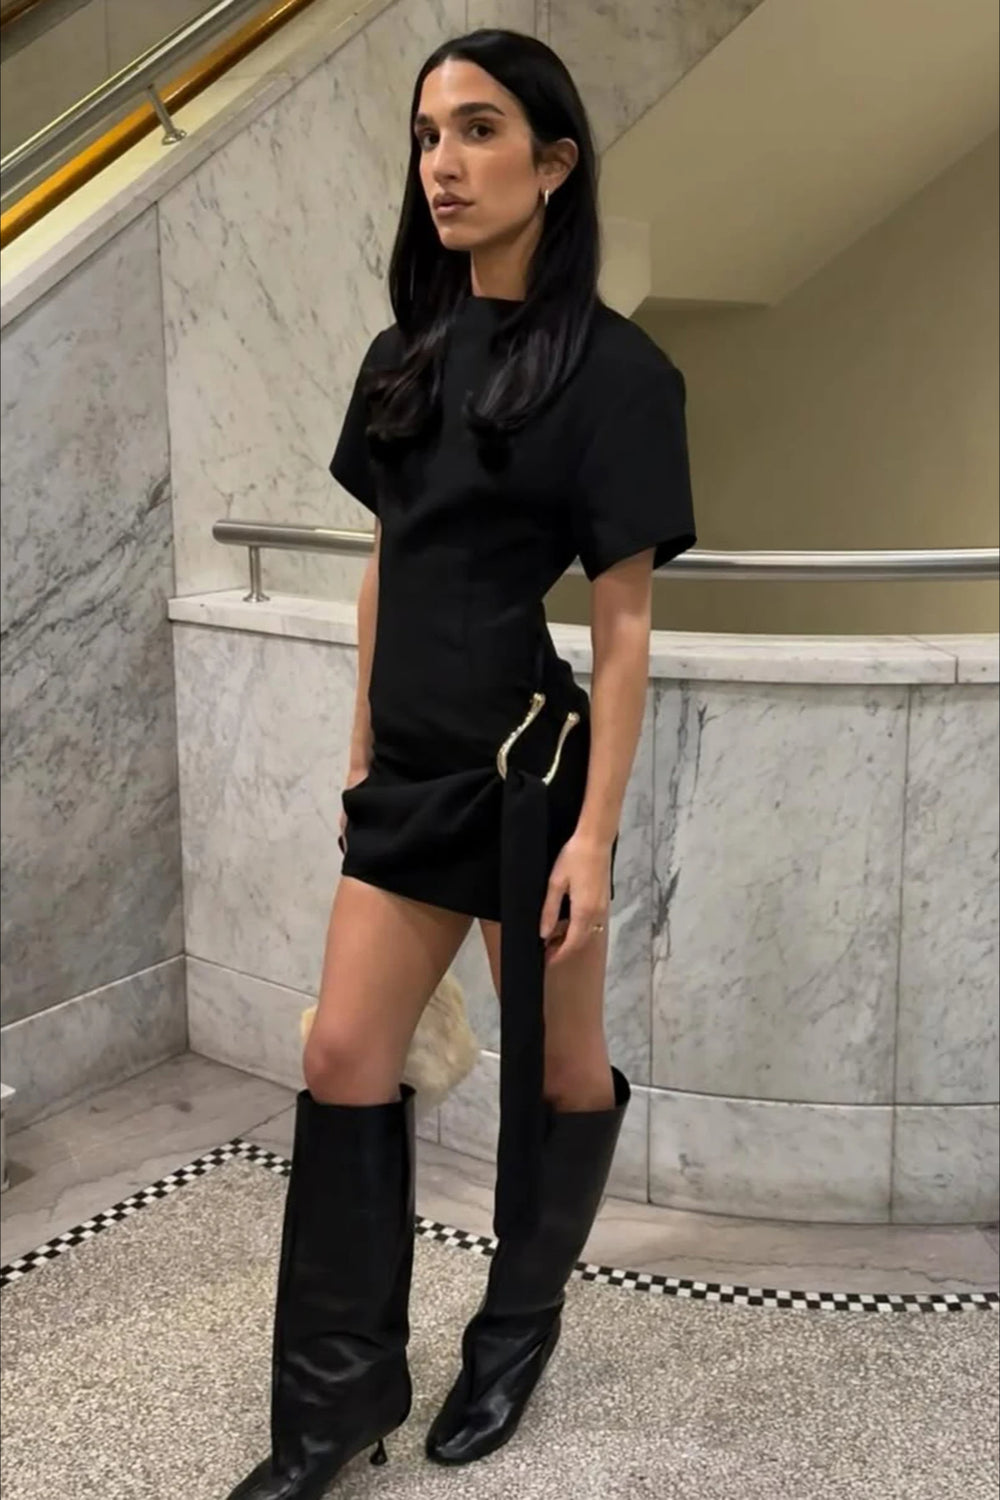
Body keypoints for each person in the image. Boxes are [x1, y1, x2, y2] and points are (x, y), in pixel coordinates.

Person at [226, 25, 696, 1500]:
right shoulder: (404, 354)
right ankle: (332, 1410)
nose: (444, 163)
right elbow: (390, 561)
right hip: (413, 774)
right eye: (429, 135)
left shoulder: (620, 374)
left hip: (529, 778)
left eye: (480, 131)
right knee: (340, 1057)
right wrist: (361, 743)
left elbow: (623, 630)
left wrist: (593, 839)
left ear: (553, 165)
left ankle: (515, 1329)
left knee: (559, 1070)